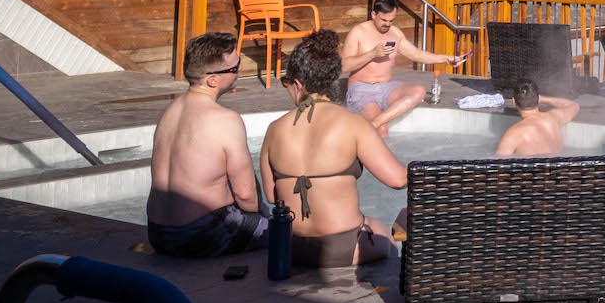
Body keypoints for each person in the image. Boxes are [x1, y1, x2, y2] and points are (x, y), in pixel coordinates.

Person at [261, 29, 409, 268]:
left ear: (298, 84)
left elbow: (271, 196)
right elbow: (397, 180)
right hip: (343, 249)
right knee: (383, 231)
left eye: (286, 83)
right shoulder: (353, 125)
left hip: (291, 248)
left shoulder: (274, 129)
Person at [146, 32, 267, 258]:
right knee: (282, 229)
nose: (239, 72)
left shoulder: (170, 112)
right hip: (199, 235)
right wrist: (263, 216)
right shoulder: (225, 119)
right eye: (235, 68)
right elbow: (246, 196)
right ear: (212, 80)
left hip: (158, 233)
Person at [342, 0, 467, 137]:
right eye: (384, 20)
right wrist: (372, 54)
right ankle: (377, 129)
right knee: (382, 130)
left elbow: (416, 54)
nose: (387, 24)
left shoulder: (395, 34)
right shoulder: (358, 32)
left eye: (391, 20)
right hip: (362, 88)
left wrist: (446, 59)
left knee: (418, 91)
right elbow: (345, 66)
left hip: (386, 88)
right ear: (373, 14)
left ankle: (375, 123)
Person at [493, 79, 580, 157]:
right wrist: (544, 99)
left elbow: (497, 166)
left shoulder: (513, 134)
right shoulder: (553, 119)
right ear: (538, 99)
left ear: (514, 102)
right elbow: (574, 106)